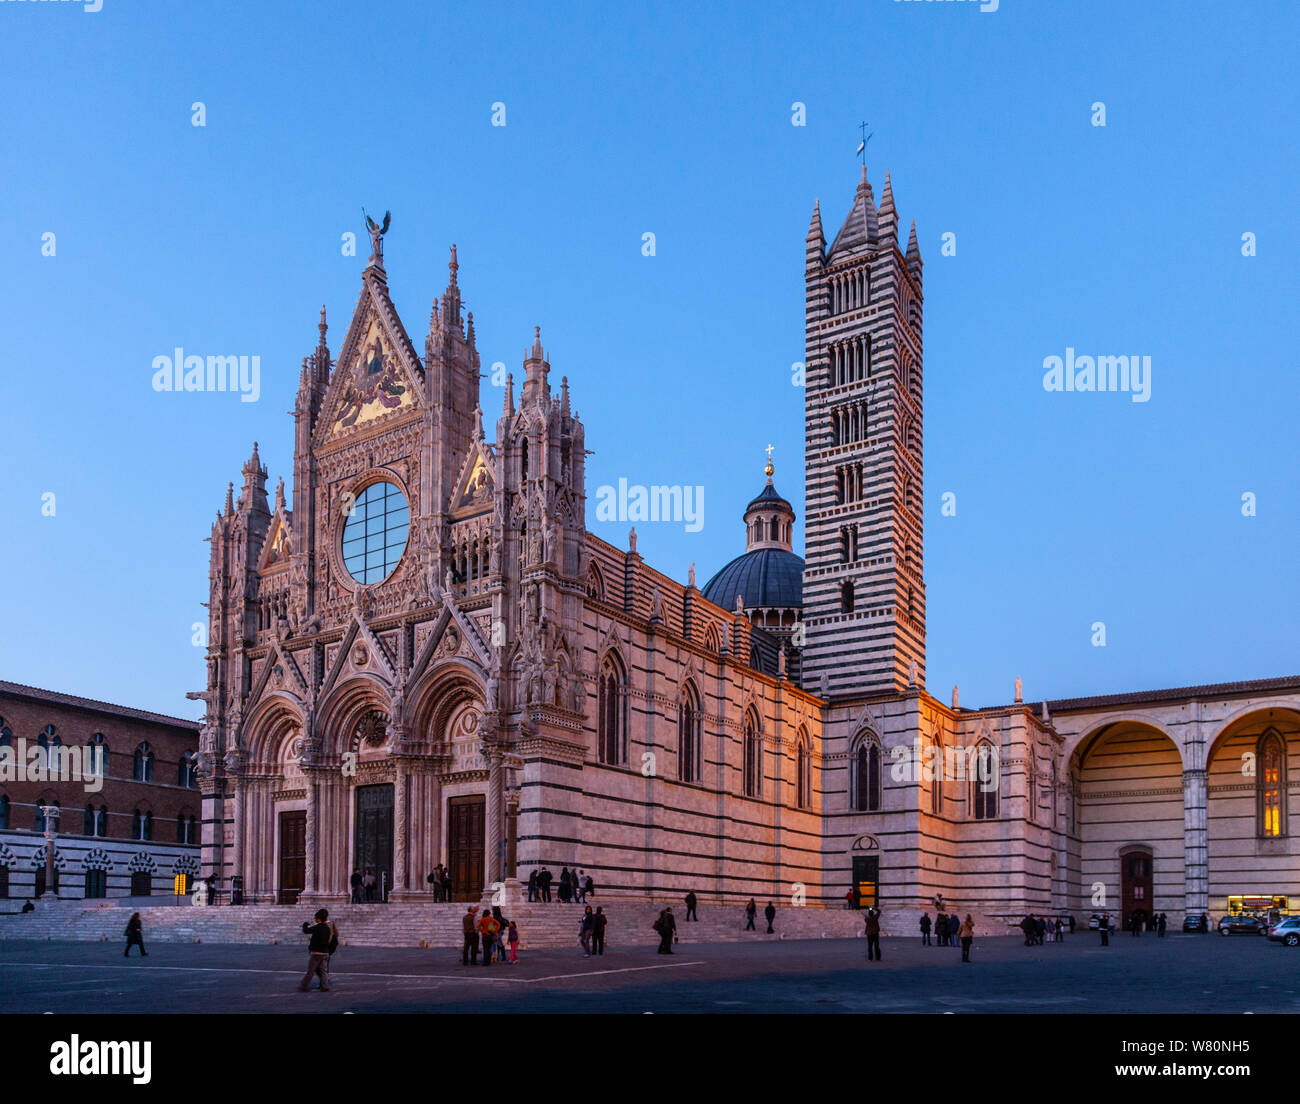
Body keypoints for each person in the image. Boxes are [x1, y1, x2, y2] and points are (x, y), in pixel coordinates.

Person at [298, 908, 336, 991]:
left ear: (318, 919)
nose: (315, 920)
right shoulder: (327, 928)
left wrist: (305, 924)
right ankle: (325, 986)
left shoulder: (317, 927)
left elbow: (306, 930)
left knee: (311, 970)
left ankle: (304, 986)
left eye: (315, 918)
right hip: (325, 952)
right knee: (323, 971)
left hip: (316, 952)